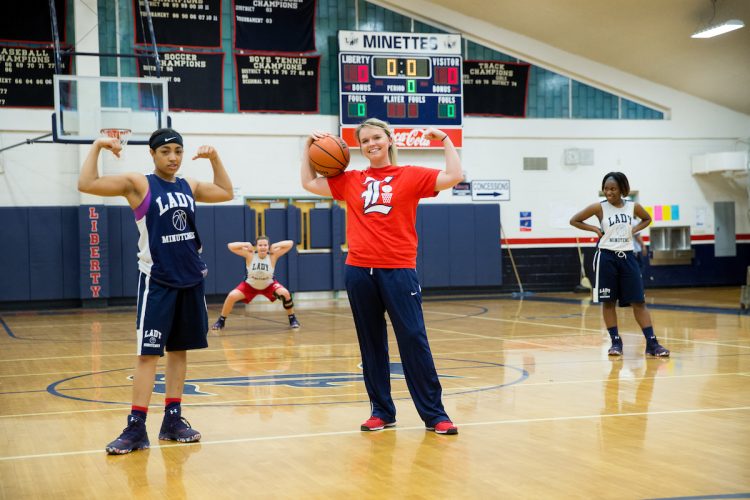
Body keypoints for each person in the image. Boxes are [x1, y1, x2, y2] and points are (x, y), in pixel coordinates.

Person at [300, 118, 463, 435]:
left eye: (376, 137)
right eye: (364, 141)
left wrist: (444, 138)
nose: (371, 143)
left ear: (389, 140)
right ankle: (382, 411)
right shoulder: (350, 179)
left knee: (414, 340)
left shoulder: (412, 175)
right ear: (358, 148)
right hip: (359, 271)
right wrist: (306, 150)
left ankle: (435, 415)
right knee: (371, 344)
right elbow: (308, 183)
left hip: (399, 269)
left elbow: (455, 176)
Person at [78, 128, 234, 454]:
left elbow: (225, 191)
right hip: (158, 280)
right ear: (153, 154)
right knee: (148, 355)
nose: (173, 157)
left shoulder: (188, 185)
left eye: (178, 150)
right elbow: (87, 184)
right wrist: (97, 147)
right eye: (166, 152)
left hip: (190, 279)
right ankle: (136, 427)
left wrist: (216, 158)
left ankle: (173, 420)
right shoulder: (140, 183)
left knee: (179, 352)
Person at [570, 172, 670, 358]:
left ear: (623, 189)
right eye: (606, 188)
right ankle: (616, 342)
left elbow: (647, 219)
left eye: (613, 188)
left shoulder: (633, 207)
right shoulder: (598, 208)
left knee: (638, 301)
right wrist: (593, 228)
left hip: (628, 257)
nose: (609, 192)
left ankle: (652, 343)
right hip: (606, 257)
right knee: (608, 302)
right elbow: (574, 220)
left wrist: (634, 229)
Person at [211, 237, 300, 330]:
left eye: (265, 245)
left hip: (269, 285)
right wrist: (245, 244)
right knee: (231, 296)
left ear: (268, 246)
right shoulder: (250, 255)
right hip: (250, 285)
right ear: (256, 247)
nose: (263, 247)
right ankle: (221, 321)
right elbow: (230, 246)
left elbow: (290, 243)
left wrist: (275, 245)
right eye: (260, 245)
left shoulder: (273, 255)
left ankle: (292, 319)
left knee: (285, 294)